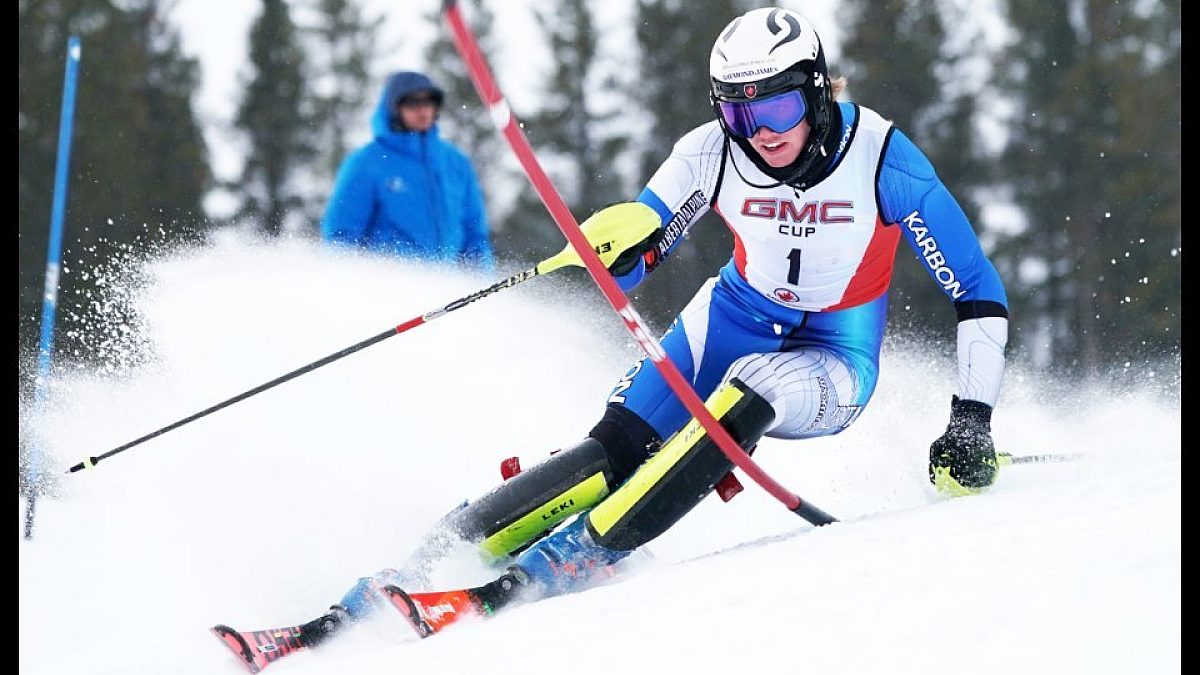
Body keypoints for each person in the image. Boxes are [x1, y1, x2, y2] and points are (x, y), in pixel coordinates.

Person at [233, 6, 1009, 655]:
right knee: (606, 454)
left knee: (750, 391)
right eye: (737, 112)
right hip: (732, 317)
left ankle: (562, 563)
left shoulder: (883, 160)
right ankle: (399, 574)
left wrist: (971, 419)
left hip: (833, 357)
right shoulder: (712, 154)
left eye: (772, 110)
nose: (758, 134)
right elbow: (645, 243)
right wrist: (619, 247)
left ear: (813, 94)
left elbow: (976, 290)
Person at [320, 71, 494, 271]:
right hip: (388, 290)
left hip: (449, 292)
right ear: (395, 108)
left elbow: (475, 236)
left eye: (429, 102)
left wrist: (480, 285)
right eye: (412, 103)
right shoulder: (366, 162)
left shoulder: (456, 162)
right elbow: (341, 237)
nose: (423, 110)